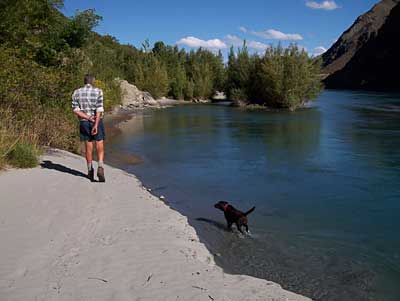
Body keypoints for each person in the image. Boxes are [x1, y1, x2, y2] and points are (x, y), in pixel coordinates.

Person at [72, 74, 106, 182]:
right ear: (93, 81)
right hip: (97, 120)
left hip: (84, 122)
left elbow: (76, 110)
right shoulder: (98, 91)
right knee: (99, 143)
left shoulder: (76, 92)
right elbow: (99, 109)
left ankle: (90, 169)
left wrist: (88, 117)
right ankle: (100, 165)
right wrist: (95, 124)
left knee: (88, 146)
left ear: (84, 81)